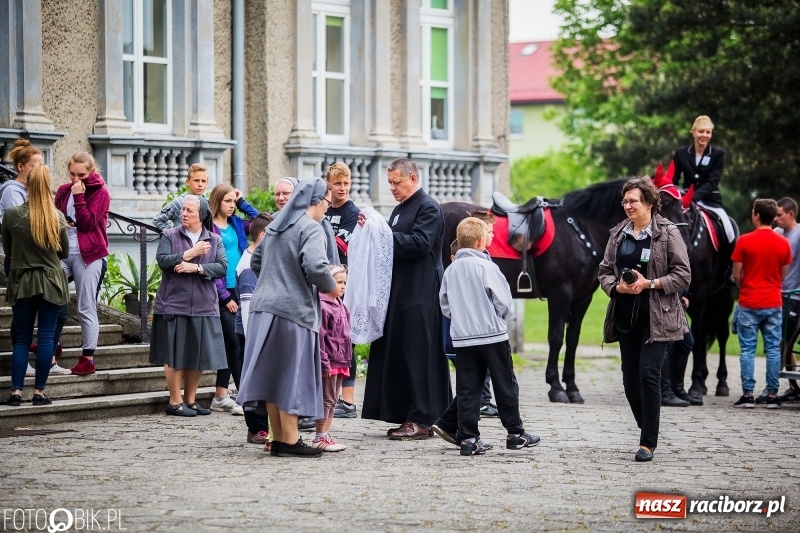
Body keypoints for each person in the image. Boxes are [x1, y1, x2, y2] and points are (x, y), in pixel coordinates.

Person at [237, 178, 337, 458]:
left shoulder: (274, 226)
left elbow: (256, 262)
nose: (326, 210)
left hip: (261, 309)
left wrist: (274, 280)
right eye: (327, 204)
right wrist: (333, 287)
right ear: (316, 202)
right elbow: (316, 268)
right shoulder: (310, 228)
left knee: (272, 376)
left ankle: (279, 438)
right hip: (291, 312)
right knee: (290, 375)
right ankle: (291, 440)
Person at [598, 177, 691, 462]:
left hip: (658, 317)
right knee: (629, 381)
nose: (627, 206)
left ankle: (647, 442)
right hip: (626, 317)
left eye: (633, 201)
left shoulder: (668, 232)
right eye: (625, 201)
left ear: (649, 202)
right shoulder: (618, 234)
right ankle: (648, 425)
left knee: (649, 374)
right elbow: (603, 272)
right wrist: (617, 287)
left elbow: (683, 275)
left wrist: (650, 283)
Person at [361, 157, 451, 440]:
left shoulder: (428, 207)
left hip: (421, 294)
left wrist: (381, 234)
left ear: (412, 179)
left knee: (418, 354)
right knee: (400, 353)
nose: (392, 188)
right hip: (400, 293)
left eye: (396, 182)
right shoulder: (400, 210)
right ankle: (404, 413)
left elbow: (420, 244)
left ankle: (423, 419)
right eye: (389, 183)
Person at [439, 217, 540, 456]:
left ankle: (469, 439)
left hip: (463, 338)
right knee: (505, 383)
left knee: (467, 388)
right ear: (480, 240)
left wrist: (461, 319)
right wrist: (498, 317)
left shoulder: (450, 270)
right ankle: (515, 433)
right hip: (492, 335)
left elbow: (445, 305)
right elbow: (504, 302)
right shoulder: (487, 267)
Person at [149, 196, 228, 417]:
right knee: (174, 354)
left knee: (198, 353)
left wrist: (197, 269)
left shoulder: (214, 239)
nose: (184, 214)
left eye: (189, 210)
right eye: (183, 210)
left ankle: (190, 401)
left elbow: (222, 267)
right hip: (174, 304)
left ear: (201, 215)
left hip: (204, 305)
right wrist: (189, 254)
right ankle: (174, 402)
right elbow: (163, 261)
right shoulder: (169, 235)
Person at [0, 140, 70, 377]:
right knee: (40, 334)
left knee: (24, 337)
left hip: (26, 274)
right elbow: (64, 252)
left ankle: (18, 391)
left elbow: (10, 245)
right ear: (22, 168)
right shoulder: (54, 215)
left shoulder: (19, 213)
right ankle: (39, 391)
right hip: (42, 274)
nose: (38, 168)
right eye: (35, 165)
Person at [731, 199, 792, 409]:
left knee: (747, 349)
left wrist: (746, 285)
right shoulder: (783, 243)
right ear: (773, 215)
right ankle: (772, 396)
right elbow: (783, 275)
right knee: (773, 349)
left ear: (756, 215)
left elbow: (736, 274)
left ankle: (748, 395)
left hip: (749, 300)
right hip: (774, 301)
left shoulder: (744, 241)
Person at [54, 152, 110, 376]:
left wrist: (79, 197)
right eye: (73, 174)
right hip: (64, 251)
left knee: (85, 306)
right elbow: (56, 215)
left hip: (90, 255)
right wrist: (63, 220)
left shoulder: (100, 192)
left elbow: (87, 223)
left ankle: (88, 359)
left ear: (92, 172)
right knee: (49, 294)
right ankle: (51, 343)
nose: (77, 180)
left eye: (82, 175)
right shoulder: (63, 190)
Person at [208, 183, 259, 414]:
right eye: (227, 201)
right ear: (217, 201)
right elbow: (210, 262)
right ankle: (243, 397)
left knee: (236, 342)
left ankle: (221, 395)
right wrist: (225, 296)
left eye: (232, 201)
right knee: (235, 343)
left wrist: (242, 202)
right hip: (222, 291)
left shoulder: (237, 223)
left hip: (240, 287)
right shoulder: (209, 227)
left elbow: (262, 223)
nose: (231, 205)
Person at [323, 162, 361, 419]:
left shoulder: (351, 212)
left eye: (346, 183)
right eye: (338, 183)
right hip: (323, 282)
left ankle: (347, 400)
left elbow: (341, 245)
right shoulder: (324, 209)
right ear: (329, 184)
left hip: (344, 282)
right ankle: (331, 396)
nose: (343, 188)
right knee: (328, 339)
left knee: (345, 338)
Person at [235, 212, 273, 446]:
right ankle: (256, 427)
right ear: (263, 236)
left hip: (263, 331)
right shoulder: (249, 266)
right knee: (253, 379)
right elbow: (248, 310)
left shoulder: (262, 258)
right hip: (251, 334)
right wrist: (254, 344)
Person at [672, 115, 735, 243]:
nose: (704, 135)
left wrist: (693, 197)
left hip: (710, 199)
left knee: (729, 230)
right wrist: (676, 196)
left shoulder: (717, 154)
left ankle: (727, 261)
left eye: (708, 132)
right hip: (684, 199)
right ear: (693, 132)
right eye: (701, 131)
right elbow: (674, 178)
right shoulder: (681, 153)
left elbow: (712, 181)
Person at [312, 265, 351, 452]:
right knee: (326, 399)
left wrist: (347, 360)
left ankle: (326, 434)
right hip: (329, 362)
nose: (343, 286)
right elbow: (321, 337)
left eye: (344, 282)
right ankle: (319, 436)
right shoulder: (323, 306)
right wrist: (324, 362)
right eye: (339, 282)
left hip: (340, 361)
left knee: (334, 399)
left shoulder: (342, 305)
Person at [774, 197, 800, 403]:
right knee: (784, 342)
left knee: (785, 340)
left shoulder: (799, 234)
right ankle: (792, 385)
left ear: (791, 214)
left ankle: (776, 384)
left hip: (794, 295)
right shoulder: (776, 233)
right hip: (777, 295)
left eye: (779, 215)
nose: (775, 219)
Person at [152, 164, 211, 230]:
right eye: (196, 180)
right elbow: (158, 220)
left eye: (203, 181)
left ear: (207, 183)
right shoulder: (179, 202)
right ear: (187, 182)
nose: (200, 184)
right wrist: (174, 234)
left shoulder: (208, 203)